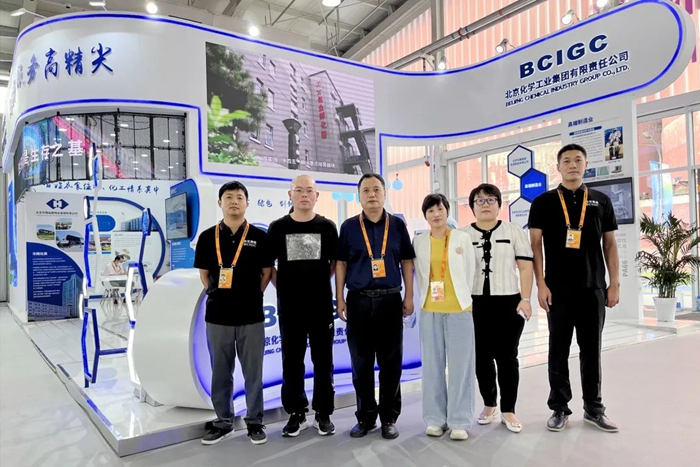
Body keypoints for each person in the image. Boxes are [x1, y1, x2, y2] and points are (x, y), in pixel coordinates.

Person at [528, 143, 620, 433]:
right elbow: (535, 246)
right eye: (566, 160)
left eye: (577, 160)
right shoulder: (543, 202)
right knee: (558, 349)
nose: (572, 165)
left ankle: (594, 408)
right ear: (558, 167)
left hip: (593, 288)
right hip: (557, 290)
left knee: (591, 350)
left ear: (585, 164)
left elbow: (610, 245)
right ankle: (559, 407)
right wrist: (541, 284)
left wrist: (614, 283)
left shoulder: (601, 201)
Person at [336, 173, 416, 440]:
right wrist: (340, 298)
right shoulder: (349, 227)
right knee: (361, 364)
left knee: (391, 363)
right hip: (358, 301)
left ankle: (389, 418)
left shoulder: (397, 225)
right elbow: (341, 264)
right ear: (359, 196)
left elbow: (406, 261)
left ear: (384, 194)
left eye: (376, 190)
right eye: (366, 190)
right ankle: (366, 417)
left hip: (390, 300)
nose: (371, 195)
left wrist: (409, 296)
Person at [194, 181, 274, 445]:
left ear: (247, 203)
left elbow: (266, 273)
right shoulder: (207, 237)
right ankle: (223, 422)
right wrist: (217, 293)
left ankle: (255, 422)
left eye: (239, 197)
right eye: (228, 197)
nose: (234, 202)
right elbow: (205, 274)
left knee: (253, 372)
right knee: (220, 371)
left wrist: (252, 295)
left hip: (251, 316)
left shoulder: (260, 237)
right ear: (220, 203)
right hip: (218, 316)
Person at [267, 175, 339, 437]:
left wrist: (318, 283)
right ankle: (296, 413)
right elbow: (269, 266)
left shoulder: (327, 227)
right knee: (292, 362)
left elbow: (334, 263)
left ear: (317, 196)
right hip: (290, 308)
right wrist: (285, 287)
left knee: (323, 361)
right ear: (290, 195)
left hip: (321, 306)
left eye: (309, 190)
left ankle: (323, 413)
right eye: (299, 190)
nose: (304, 195)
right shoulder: (277, 228)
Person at [462, 184, 534, 434]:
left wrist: (526, 298)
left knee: (507, 358)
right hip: (474, 304)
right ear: (472, 207)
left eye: (491, 200)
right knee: (481, 358)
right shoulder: (462, 235)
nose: (485, 205)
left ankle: (508, 409)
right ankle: (489, 404)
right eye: (479, 201)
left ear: (499, 204)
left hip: (508, 303)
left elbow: (525, 267)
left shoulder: (513, 231)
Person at [412, 194, 477, 441]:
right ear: (425, 215)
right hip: (430, 310)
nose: (436, 214)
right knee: (432, 366)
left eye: (439, 209)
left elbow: (470, 271)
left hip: (459, 310)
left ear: (447, 211)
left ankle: (460, 420)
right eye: (430, 211)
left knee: (461, 367)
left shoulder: (461, 238)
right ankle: (435, 419)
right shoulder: (419, 241)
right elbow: (419, 273)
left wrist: (463, 298)